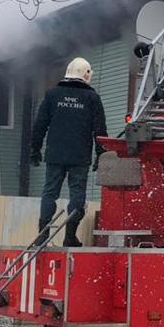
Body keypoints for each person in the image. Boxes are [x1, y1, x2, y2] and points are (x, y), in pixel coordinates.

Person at [30, 58, 107, 248]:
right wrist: (101, 154)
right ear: (87, 75)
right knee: (77, 194)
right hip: (80, 156)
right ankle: (70, 236)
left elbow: (40, 124)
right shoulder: (92, 98)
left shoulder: (52, 95)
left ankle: (43, 235)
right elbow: (100, 130)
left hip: (55, 154)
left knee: (49, 193)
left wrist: (35, 149)